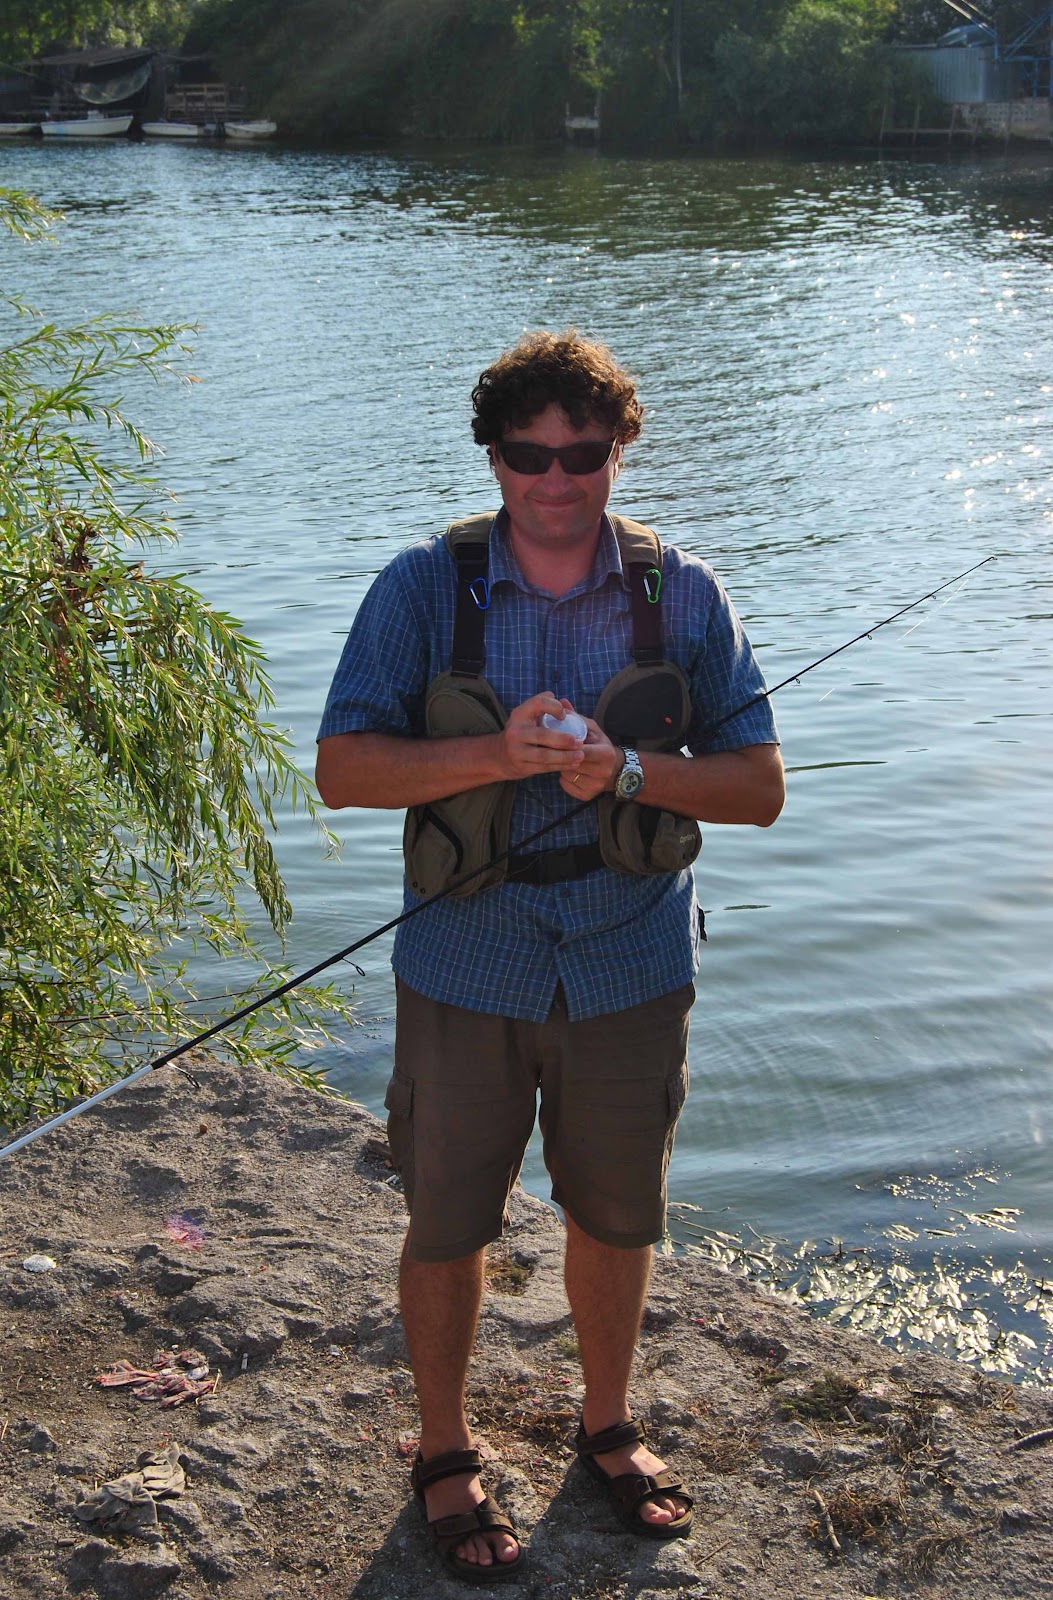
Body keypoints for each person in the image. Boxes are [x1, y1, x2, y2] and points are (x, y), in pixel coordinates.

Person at [316, 330, 784, 1582]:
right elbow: (342, 769)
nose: (557, 479)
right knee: (447, 1217)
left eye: (584, 453)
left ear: (621, 449)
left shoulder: (684, 593)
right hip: (463, 958)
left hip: (631, 957)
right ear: (494, 457)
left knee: (618, 1212)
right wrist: (494, 753)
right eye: (529, 455)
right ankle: (444, 1447)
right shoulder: (423, 588)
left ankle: (607, 1424)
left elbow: (760, 786)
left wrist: (628, 771)